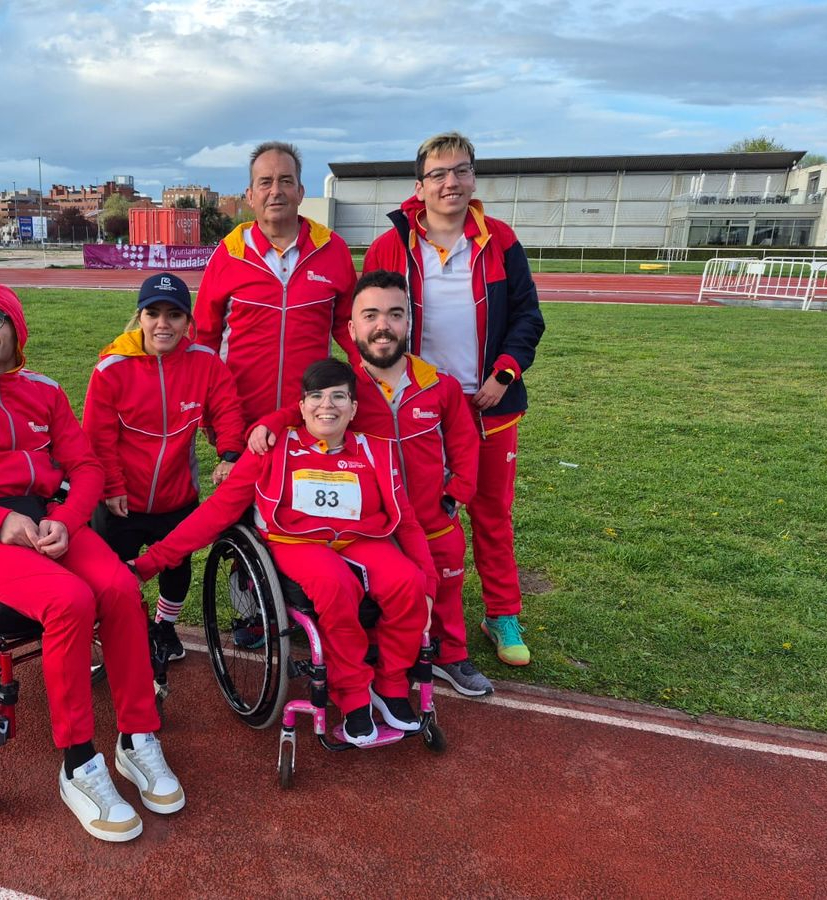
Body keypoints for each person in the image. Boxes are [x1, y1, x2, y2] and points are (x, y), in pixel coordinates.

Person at [0, 283, 183, 843]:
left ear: (17, 331)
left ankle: (137, 737)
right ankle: (78, 764)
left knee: (120, 588)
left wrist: (65, 520)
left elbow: (86, 466)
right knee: (69, 600)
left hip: (47, 522)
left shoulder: (45, 392)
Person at [133, 359, 437, 745]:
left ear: (353, 407)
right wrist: (152, 561)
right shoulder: (273, 448)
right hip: (297, 542)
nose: (327, 406)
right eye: (317, 397)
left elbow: (406, 523)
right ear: (302, 405)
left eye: (339, 397)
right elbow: (218, 511)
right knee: (334, 585)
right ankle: (353, 695)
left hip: (361, 539)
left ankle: (391, 685)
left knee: (408, 582)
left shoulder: (375, 449)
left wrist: (429, 584)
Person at [249, 270, 491, 696]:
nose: (383, 325)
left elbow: (465, 444)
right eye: (371, 315)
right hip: (376, 524)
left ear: (409, 321)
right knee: (385, 592)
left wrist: (458, 492)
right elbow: (301, 412)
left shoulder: (440, 386)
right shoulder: (343, 390)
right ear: (352, 327)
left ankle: (451, 654)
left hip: (432, 518)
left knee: (446, 584)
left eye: (395, 314)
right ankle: (381, 661)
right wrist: (270, 421)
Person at [364, 131, 545, 668]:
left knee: (491, 513)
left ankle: (501, 614)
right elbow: (367, 321)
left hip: (489, 405)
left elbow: (528, 317)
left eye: (461, 171)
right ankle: (402, 609)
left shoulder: (500, 239)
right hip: (416, 408)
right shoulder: (391, 246)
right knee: (410, 512)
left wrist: (504, 374)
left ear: (474, 178)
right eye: (439, 173)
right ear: (419, 185)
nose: (451, 182)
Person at [82, 272, 246, 662]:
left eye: (174, 315)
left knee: (176, 567)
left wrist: (229, 455)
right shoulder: (111, 368)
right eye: (153, 313)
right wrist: (112, 487)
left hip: (177, 496)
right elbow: (98, 437)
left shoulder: (204, 362)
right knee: (114, 574)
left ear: (188, 321)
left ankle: (166, 627)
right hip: (121, 500)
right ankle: (124, 630)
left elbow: (227, 409)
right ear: (139, 317)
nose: (163, 324)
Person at [194, 141, 358, 424]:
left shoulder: (333, 250)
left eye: (286, 180)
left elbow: (351, 329)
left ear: (300, 192)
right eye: (265, 182)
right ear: (250, 195)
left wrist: (365, 382)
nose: (275, 191)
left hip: (311, 418)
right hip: (239, 418)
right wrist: (209, 409)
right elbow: (203, 338)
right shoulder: (228, 254)